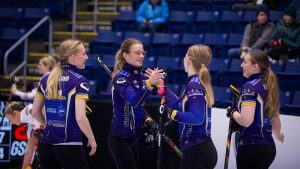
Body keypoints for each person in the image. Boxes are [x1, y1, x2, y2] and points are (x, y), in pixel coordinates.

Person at [31, 39, 97, 169]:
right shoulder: (79, 81)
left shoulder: (45, 78)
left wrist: (49, 125)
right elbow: (80, 117)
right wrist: (92, 138)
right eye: (83, 54)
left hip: (46, 146)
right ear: (72, 57)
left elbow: (35, 112)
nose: (86, 57)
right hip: (69, 145)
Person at [151, 45, 218, 169]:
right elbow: (179, 105)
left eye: (186, 55)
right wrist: (161, 86)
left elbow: (197, 118)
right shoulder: (195, 82)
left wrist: (171, 114)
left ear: (188, 60)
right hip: (197, 149)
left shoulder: (194, 85)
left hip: (197, 150)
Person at [108, 38, 164, 169]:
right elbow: (135, 101)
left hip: (135, 137)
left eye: (143, 53)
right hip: (120, 138)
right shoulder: (121, 78)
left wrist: (160, 85)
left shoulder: (141, 76)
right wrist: (150, 84)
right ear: (125, 55)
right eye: (137, 53)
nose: (141, 56)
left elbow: (140, 107)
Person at [226, 50, 284, 168]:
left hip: (251, 146)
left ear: (255, 66)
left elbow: (246, 121)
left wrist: (233, 112)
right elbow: (276, 125)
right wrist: (279, 135)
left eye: (245, 62)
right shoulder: (268, 85)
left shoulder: (250, 87)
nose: (242, 65)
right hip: (268, 148)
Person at [4, 102, 43, 169]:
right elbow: (29, 152)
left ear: (15, 113)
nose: (11, 123)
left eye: (10, 120)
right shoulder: (28, 126)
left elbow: (45, 110)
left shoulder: (28, 110)